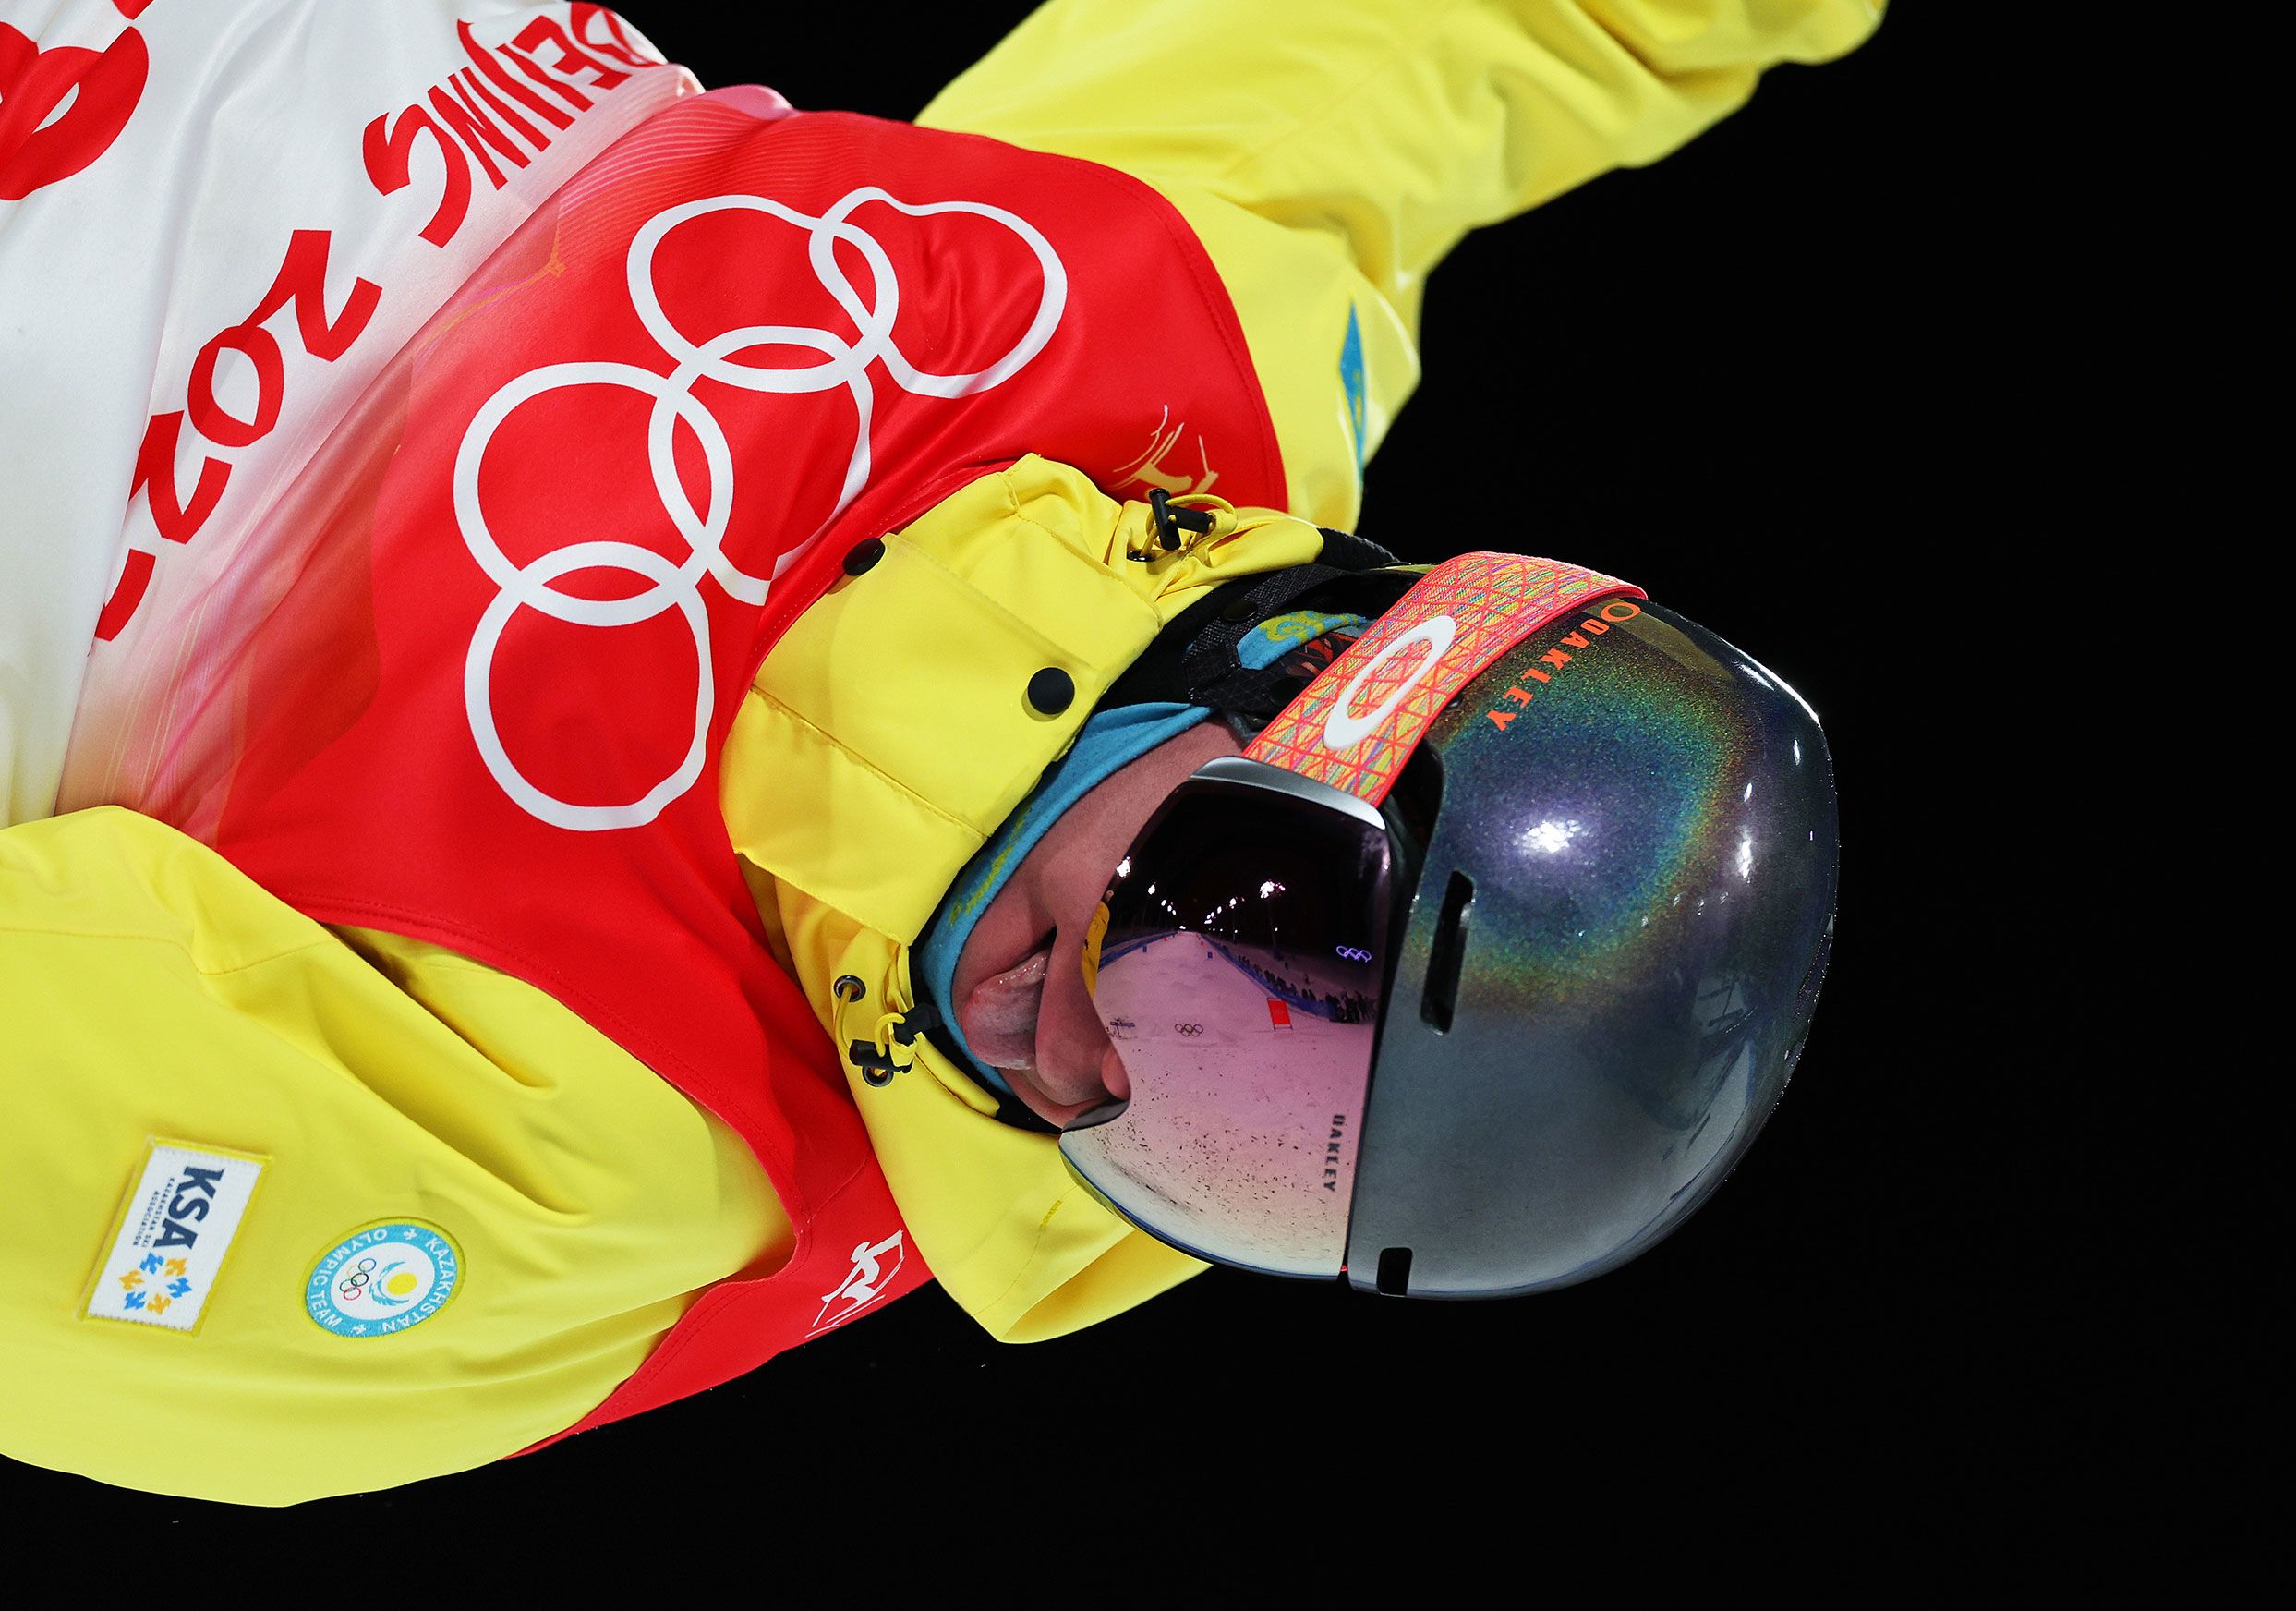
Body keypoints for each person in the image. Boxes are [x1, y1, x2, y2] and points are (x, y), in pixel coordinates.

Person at [0, 0, 1878, 1504]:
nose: (1077, 1059)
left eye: (1205, 1153)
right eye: (1232, 954)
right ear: (1313, 679)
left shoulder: (547, 1175)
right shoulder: (1175, 339)